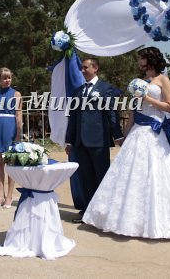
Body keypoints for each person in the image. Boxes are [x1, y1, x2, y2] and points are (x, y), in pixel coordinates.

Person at [82, 46, 170, 238]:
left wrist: (146, 97)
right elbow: (134, 109)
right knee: (131, 175)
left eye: (141, 58)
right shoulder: (141, 82)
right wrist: (125, 132)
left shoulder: (163, 80)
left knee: (158, 175)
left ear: (150, 59)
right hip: (138, 132)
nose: (139, 62)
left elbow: (169, 106)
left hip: (156, 133)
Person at [65, 57, 123, 222]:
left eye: (85, 68)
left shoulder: (106, 88)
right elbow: (73, 117)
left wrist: (117, 135)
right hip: (80, 142)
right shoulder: (78, 91)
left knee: (102, 177)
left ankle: (104, 214)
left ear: (95, 68)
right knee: (86, 178)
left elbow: (112, 113)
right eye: (81, 68)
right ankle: (87, 212)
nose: (82, 71)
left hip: (99, 141)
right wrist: (69, 140)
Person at [0, 67, 22, 208]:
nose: (7, 80)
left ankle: (9, 196)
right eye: (4, 78)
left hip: (10, 128)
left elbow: (19, 115)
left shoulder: (16, 94)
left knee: (10, 164)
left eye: (9, 78)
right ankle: (0, 196)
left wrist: (18, 134)